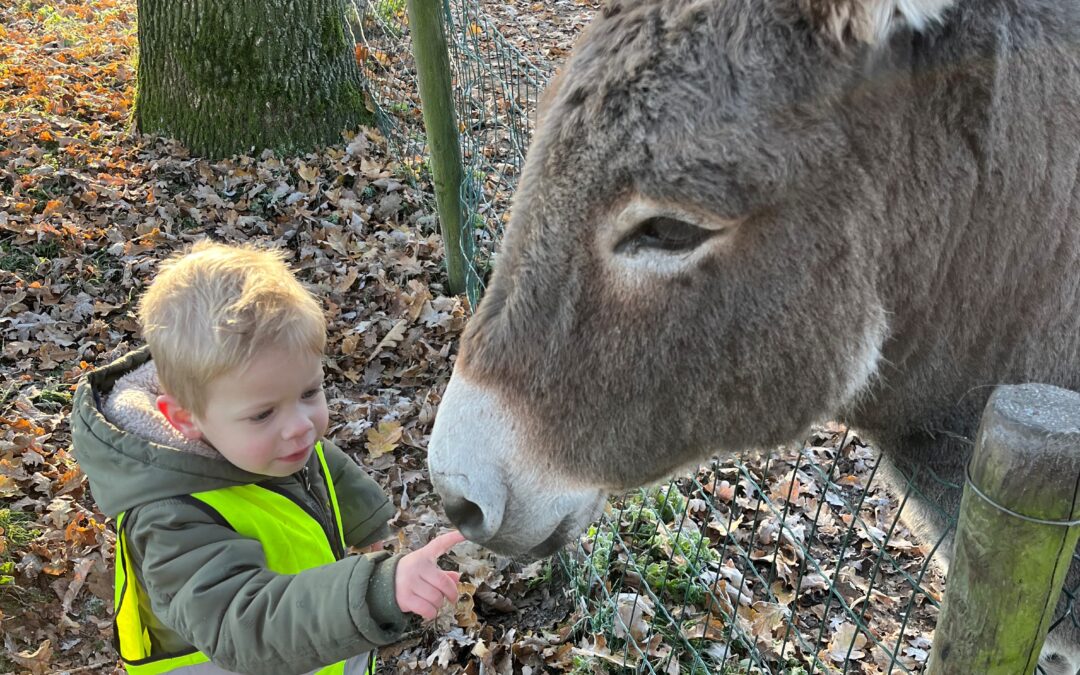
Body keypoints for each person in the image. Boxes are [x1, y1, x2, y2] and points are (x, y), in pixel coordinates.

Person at [71, 241, 462, 675]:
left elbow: (320, 466)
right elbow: (244, 626)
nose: (300, 426)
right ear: (185, 420)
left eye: (310, 393)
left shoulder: (258, 443)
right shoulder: (170, 520)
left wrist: (363, 517)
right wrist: (373, 593)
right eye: (263, 413)